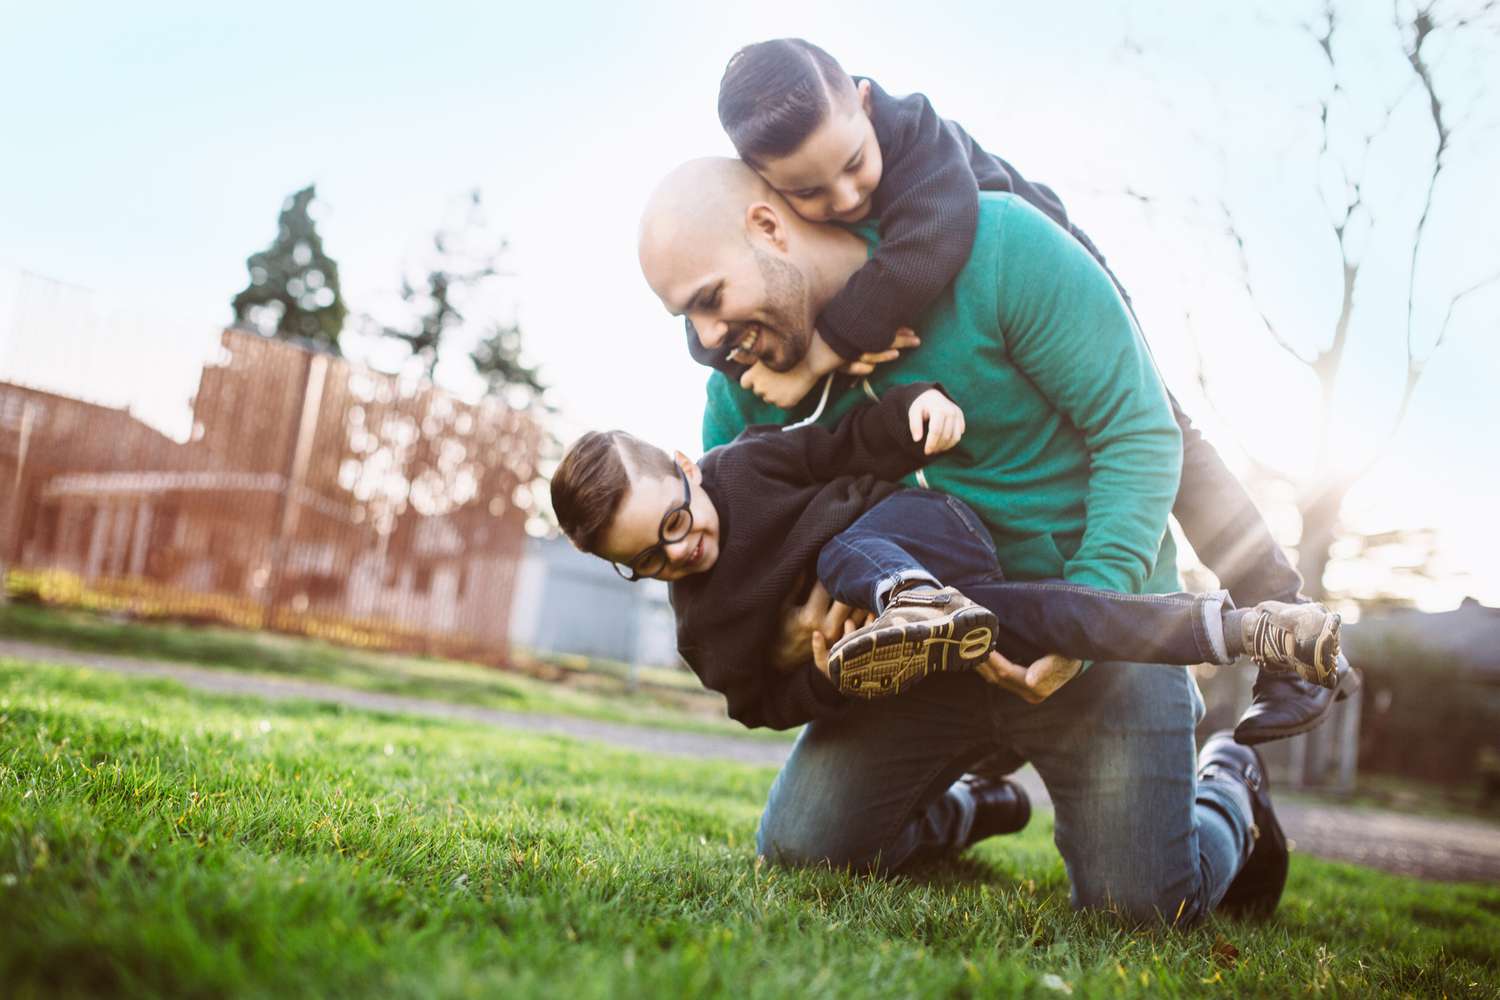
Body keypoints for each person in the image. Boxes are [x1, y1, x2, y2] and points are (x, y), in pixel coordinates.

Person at [637, 156, 1291, 925]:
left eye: (712, 300)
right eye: (690, 319)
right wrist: (786, 639)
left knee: (1143, 914)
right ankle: (973, 804)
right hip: (919, 668)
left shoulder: (1003, 247)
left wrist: (1088, 610)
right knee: (803, 852)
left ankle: (1229, 791)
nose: (709, 339)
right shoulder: (739, 395)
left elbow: (1140, 433)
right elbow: (744, 579)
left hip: (1101, 640)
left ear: (769, 228)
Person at [687, 37, 1354, 746]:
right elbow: (707, 304)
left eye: (853, 164)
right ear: (763, 189)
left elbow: (929, 246)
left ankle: (1284, 623)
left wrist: (822, 352)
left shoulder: (917, 138)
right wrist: (714, 337)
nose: (848, 198)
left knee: (1173, 439)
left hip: (1056, 285)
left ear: (864, 102)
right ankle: (979, 762)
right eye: (809, 193)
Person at [548, 385, 1341, 728]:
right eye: (648, 561)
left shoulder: (746, 465)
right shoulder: (705, 629)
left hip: (926, 531)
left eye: (676, 521)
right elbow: (758, 703)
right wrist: (820, 676)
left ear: (687, 468)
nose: (680, 553)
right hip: (947, 630)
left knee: (836, 555)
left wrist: (913, 410)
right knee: (1053, 616)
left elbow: (841, 441)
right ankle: (1248, 632)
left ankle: (912, 597)